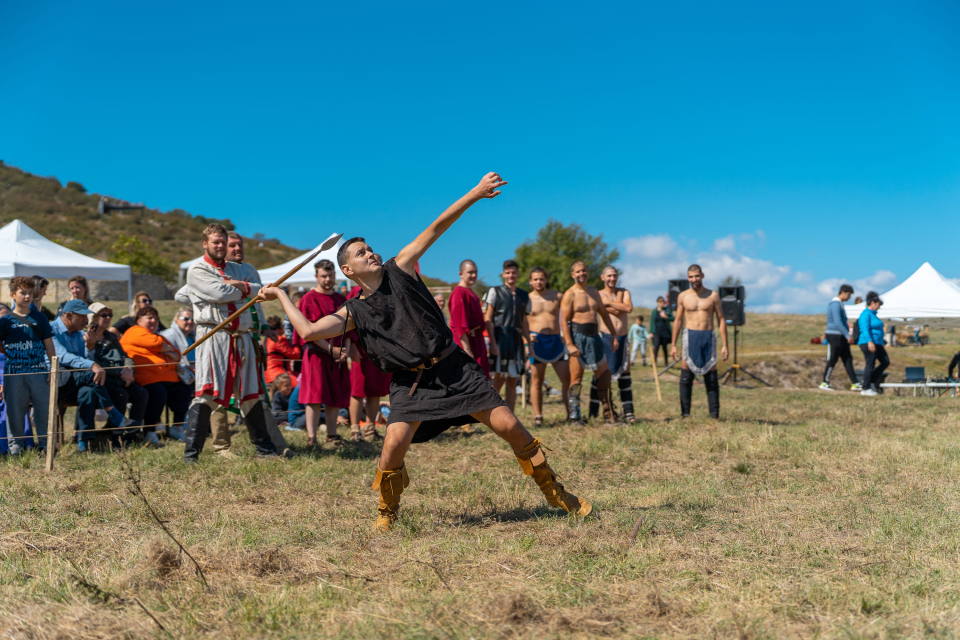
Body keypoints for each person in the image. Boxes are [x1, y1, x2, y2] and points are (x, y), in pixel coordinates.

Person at [258, 172, 592, 531]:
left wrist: (476, 193)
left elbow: (436, 227)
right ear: (347, 270)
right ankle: (388, 509)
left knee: (512, 426)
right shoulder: (354, 311)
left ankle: (554, 491)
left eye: (369, 248)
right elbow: (307, 331)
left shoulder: (399, 268)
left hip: (455, 371)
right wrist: (279, 295)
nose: (369, 252)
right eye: (360, 252)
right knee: (391, 448)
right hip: (411, 385)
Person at [178, 223, 279, 463]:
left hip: (242, 338)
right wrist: (244, 288)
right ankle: (191, 455)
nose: (221, 246)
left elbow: (262, 292)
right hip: (214, 337)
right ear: (205, 244)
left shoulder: (239, 268)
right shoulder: (196, 270)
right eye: (216, 242)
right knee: (207, 392)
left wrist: (241, 287)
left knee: (251, 393)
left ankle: (265, 450)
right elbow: (220, 293)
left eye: (223, 242)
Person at [225, 232, 293, 458]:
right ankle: (221, 448)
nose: (238, 248)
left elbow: (259, 303)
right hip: (225, 340)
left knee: (256, 395)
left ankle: (275, 444)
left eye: (240, 244)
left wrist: (264, 327)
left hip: (249, 342)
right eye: (232, 245)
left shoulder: (250, 270)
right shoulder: (215, 272)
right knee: (219, 396)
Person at [53, 299, 142, 451]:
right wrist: (93, 365)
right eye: (82, 316)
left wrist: (90, 348)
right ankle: (115, 416)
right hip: (55, 380)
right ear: (68, 315)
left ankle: (84, 441)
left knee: (87, 391)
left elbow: (85, 359)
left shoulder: (80, 334)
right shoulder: (51, 329)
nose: (85, 320)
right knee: (92, 374)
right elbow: (63, 356)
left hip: (77, 381)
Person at [292, 259, 352, 446]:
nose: (328, 279)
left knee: (335, 396)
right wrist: (330, 349)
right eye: (323, 276)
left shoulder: (342, 300)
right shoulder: (308, 299)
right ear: (316, 277)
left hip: (337, 356)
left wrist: (345, 351)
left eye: (331, 275)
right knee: (314, 397)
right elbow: (306, 331)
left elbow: (350, 329)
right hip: (316, 355)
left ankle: (332, 435)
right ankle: (312, 438)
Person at [0, 276, 56, 454]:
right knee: (15, 411)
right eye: (22, 293)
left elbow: (48, 343)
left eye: (30, 293)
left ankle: (45, 447)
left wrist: (53, 369)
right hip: (14, 373)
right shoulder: (5, 321)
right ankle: (16, 448)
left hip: (39, 371)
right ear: (12, 295)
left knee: (43, 410)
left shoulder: (40, 318)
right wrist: (9, 352)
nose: (27, 296)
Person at [119, 307, 191, 444]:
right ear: (138, 321)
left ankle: (178, 426)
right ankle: (149, 431)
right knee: (158, 392)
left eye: (156, 319)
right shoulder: (134, 331)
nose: (153, 321)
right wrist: (165, 349)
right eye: (149, 318)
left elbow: (177, 355)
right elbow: (155, 343)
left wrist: (166, 349)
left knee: (184, 388)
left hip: (168, 377)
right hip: (147, 379)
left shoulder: (159, 336)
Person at [560, 261, 619, 424]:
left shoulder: (594, 292)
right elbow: (564, 321)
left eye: (583, 271)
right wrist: (570, 344)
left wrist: (614, 335)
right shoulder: (569, 294)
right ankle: (575, 417)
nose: (581, 274)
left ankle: (609, 415)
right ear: (573, 274)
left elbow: (604, 314)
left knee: (604, 377)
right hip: (578, 338)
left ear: (588, 272)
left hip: (595, 337)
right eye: (578, 271)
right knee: (576, 380)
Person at [670, 265, 729, 419]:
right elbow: (678, 320)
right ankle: (685, 414)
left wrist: (725, 345)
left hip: (708, 337)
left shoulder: (713, 296)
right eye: (691, 277)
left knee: (711, 377)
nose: (694, 279)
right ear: (688, 278)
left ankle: (714, 415)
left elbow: (721, 320)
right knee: (686, 376)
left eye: (697, 276)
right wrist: (673, 345)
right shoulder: (683, 296)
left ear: (702, 275)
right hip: (690, 337)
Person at [86, 303, 149, 446]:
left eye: (110, 315)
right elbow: (92, 361)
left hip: (120, 378)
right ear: (93, 317)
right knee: (121, 395)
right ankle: (116, 436)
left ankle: (132, 433)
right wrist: (119, 371)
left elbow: (125, 356)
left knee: (141, 393)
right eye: (104, 315)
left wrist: (128, 368)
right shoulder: (87, 337)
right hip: (102, 381)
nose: (108, 318)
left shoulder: (111, 337)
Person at [590, 266, 635, 423]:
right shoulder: (598, 293)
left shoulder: (624, 291)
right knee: (601, 375)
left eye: (614, 275)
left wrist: (608, 303)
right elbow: (617, 310)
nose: (612, 278)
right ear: (602, 277)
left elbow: (628, 308)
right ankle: (594, 412)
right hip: (604, 337)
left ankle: (629, 412)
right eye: (609, 276)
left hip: (622, 337)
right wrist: (617, 304)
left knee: (625, 374)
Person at [483, 260, 530, 411]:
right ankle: (494, 414)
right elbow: (488, 318)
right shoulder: (494, 291)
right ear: (503, 274)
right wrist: (493, 342)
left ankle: (511, 416)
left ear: (518, 274)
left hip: (516, 341)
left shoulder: (524, 295)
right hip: (500, 338)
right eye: (508, 272)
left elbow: (524, 323)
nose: (511, 275)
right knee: (499, 379)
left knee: (513, 380)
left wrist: (529, 343)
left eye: (514, 272)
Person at [526, 267, 570, 427]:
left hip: (557, 341)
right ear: (530, 281)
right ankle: (538, 416)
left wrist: (567, 335)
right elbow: (521, 321)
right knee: (537, 381)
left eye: (541, 279)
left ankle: (571, 414)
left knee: (567, 380)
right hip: (536, 342)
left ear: (546, 280)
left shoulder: (558, 296)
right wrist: (526, 339)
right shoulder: (527, 298)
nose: (538, 282)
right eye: (535, 279)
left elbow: (568, 315)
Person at [347, 285, 390, 442]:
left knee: (375, 389)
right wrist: (351, 344)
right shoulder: (356, 291)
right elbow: (348, 319)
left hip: (380, 348)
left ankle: (370, 429)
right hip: (361, 347)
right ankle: (354, 430)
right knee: (358, 389)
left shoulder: (385, 291)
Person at [447, 259, 492, 379]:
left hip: (476, 339)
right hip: (466, 342)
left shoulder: (471, 292)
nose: (474, 275)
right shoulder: (459, 293)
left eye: (475, 272)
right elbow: (459, 325)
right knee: (469, 379)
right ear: (460, 274)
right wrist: (467, 349)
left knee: (480, 378)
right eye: (470, 272)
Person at [819, 284, 860, 391]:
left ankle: (855, 383)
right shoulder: (836, 304)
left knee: (847, 358)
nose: (849, 297)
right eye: (849, 295)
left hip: (840, 335)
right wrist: (847, 335)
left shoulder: (839, 304)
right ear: (843, 293)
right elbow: (837, 321)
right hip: (835, 335)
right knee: (833, 358)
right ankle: (825, 381)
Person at [858, 291, 889, 396]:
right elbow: (864, 329)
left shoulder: (874, 315)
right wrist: (869, 342)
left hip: (878, 343)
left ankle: (870, 382)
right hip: (868, 342)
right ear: (872, 303)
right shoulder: (865, 314)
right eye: (878, 305)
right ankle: (865, 388)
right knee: (870, 364)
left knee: (885, 362)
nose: (879, 307)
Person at [263, 316, 301, 386]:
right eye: (281, 325)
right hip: (278, 375)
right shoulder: (279, 340)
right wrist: (296, 343)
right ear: (277, 330)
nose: (283, 327)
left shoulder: (266, 340)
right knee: (301, 385)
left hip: (267, 375)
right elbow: (295, 355)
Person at [650, 297, 674, 367]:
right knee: (656, 346)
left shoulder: (667, 310)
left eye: (663, 301)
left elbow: (672, 318)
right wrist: (651, 332)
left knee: (664, 347)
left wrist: (665, 316)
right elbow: (652, 322)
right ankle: (654, 363)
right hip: (657, 332)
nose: (662, 303)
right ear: (657, 302)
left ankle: (666, 363)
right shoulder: (654, 311)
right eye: (660, 301)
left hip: (665, 332)